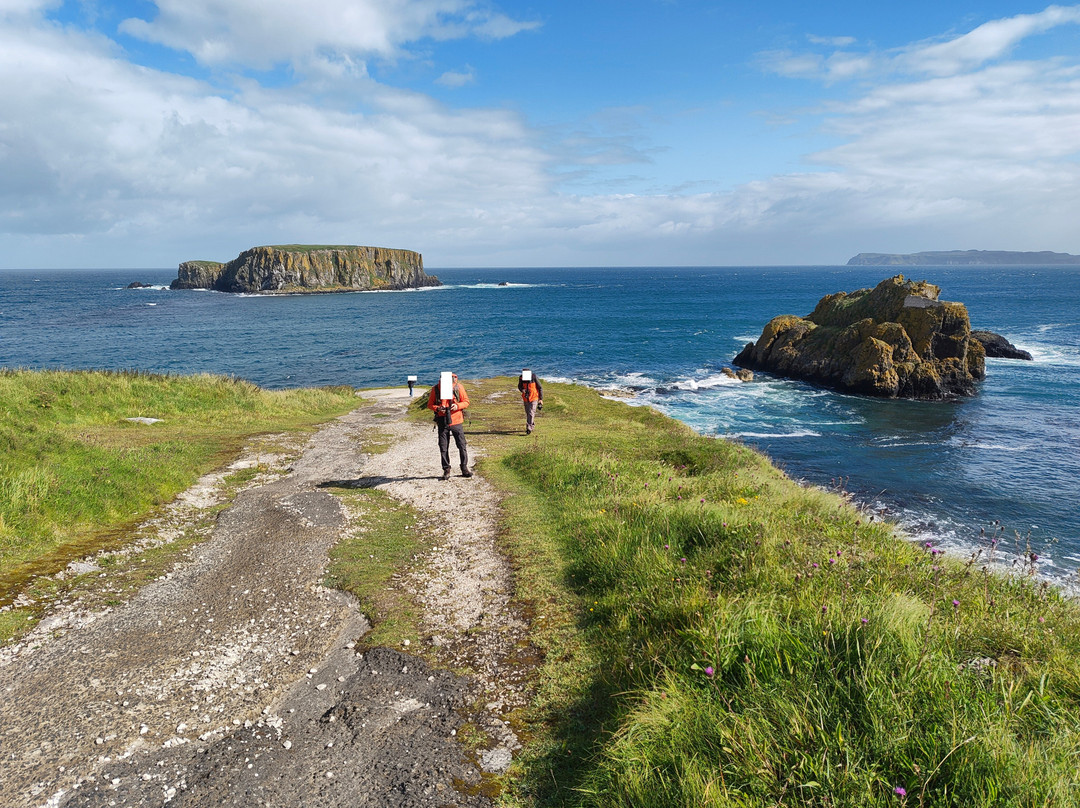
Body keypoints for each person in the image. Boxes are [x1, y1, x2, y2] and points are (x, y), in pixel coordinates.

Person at [427, 373, 472, 480]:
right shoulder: (435, 389)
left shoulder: (458, 387)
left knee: (462, 445)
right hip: (442, 421)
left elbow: (466, 401)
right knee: (443, 447)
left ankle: (464, 468)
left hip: (456, 421)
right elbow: (430, 404)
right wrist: (438, 408)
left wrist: (457, 406)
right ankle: (446, 469)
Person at [517, 369, 543, 435]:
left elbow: (540, 388)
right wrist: (522, 390)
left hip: (534, 398)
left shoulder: (534, 377)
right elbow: (519, 386)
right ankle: (531, 425)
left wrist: (540, 399)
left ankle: (529, 428)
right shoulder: (521, 377)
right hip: (526, 398)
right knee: (528, 412)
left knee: (531, 412)